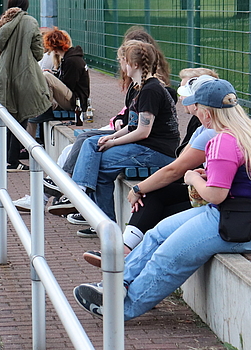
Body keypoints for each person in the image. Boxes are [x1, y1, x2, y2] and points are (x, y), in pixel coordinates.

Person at [74, 79, 251, 321]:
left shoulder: (222, 140)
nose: (196, 112)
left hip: (245, 224)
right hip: (247, 215)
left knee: (169, 256)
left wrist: (193, 178)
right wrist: (209, 175)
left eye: (198, 108)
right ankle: (116, 284)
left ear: (207, 112)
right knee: (157, 233)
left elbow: (215, 195)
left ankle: (120, 309)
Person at [82, 70, 220, 266]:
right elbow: (181, 163)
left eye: (186, 94)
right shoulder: (201, 127)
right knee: (152, 199)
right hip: (208, 195)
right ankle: (124, 252)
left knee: (157, 219)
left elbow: (176, 170)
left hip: (221, 206)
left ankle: (125, 258)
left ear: (200, 104)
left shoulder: (211, 130)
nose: (181, 99)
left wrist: (139, 188)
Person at [69, 40, 180, 227]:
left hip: (156, 151)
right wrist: (112, 136)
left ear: (134, 64)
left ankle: (86, 202)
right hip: (145, 146)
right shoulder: (138, 88)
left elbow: (143, 131)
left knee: (99, 165)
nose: (122, 65)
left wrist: (113, 143)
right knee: (92, 144)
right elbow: (132, 125)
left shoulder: (150, 90)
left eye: (124, 61)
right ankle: (97, 215)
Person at [0, 0, 49, 169]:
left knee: (6, 118)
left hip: (3, 73)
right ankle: (13, 160)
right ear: (26, 4)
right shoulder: (30, 22)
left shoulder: (3, 22)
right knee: (22, 117)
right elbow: (38, 52)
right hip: (25, 74)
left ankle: (6, 159)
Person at [27, 28, 90, 141]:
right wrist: (55, 75)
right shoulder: (70, 58)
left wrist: (53, 78)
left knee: (46, 75)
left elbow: (68, 84)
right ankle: (28, 144)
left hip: (76, 102)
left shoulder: (72, 61)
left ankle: (45, 109)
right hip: (73, 98)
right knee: (31, 111)